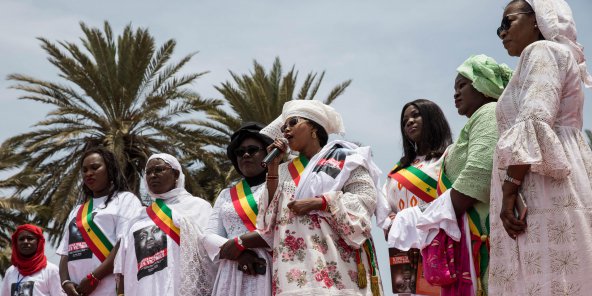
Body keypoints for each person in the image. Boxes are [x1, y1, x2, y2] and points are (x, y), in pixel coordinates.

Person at [489, 0, 592, 294]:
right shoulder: (552, 56)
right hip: (549, 175)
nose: (501, 32)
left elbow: (535, 117)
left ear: (539, 21)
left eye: (507, 21)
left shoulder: (542, 50)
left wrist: (509, 188)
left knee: (548, 277)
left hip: (541, 185)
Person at [257, 100, 384, 296]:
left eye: (292, 123)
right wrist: (273, 167)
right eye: (283, 128)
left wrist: (321, 202)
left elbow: (365, 198)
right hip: (294, 267)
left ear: (314, 128)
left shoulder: (346, 159)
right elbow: (268, 218)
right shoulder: (282, 170)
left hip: (337, 260)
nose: (286, 130)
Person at [433, 54, 512, 295]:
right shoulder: (480, 118)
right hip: (473, 234)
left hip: (484, 233)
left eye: (462, 85)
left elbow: (480, 169)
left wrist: (435, 217)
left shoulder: (488, 112)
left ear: (483, 84)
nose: (455, 93)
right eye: (454, 88)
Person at [375, 99, 452, 295]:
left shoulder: (449, 156)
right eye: (404, 120)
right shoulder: (398, 169)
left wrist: (414, 214)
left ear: (432, 118)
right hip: (405, 252)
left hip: (439, 244)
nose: (409, 122)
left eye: (416, 115)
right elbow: (384, 204)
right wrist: (390, 222)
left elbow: (455, 196)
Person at [114, 153, 216, 296]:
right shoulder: (137, 219)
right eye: (148, 172)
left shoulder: (198, 208)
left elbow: (212, 255)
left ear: (175, 174)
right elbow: (123, 268)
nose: (152, 175)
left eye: (159, 169)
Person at [57, 146, 143, 296]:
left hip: (110, 290)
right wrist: (65, 283)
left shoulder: (126, 200)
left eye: (95, 167)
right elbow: (65, 253)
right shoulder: (76, 211)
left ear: (109, 169)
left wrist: (93, 278)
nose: (89, 173)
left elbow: (123, 246)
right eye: (84, 170)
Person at [204, 122, 274, 296]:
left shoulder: (279, 186)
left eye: (252, 150)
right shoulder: (226, 195)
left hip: (270, 266)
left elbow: (282, 228)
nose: (246, 155)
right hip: (232, 268)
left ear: (268, 153)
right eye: (240, 152)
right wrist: (238, 254)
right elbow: (209, 235)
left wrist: (240, 243)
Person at [1, 224, 64, 296]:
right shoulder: (10, 272)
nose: (25, 242)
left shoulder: (51, 270)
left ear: (38, 242)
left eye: (30, 238)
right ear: (16, 243)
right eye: (21, 239)